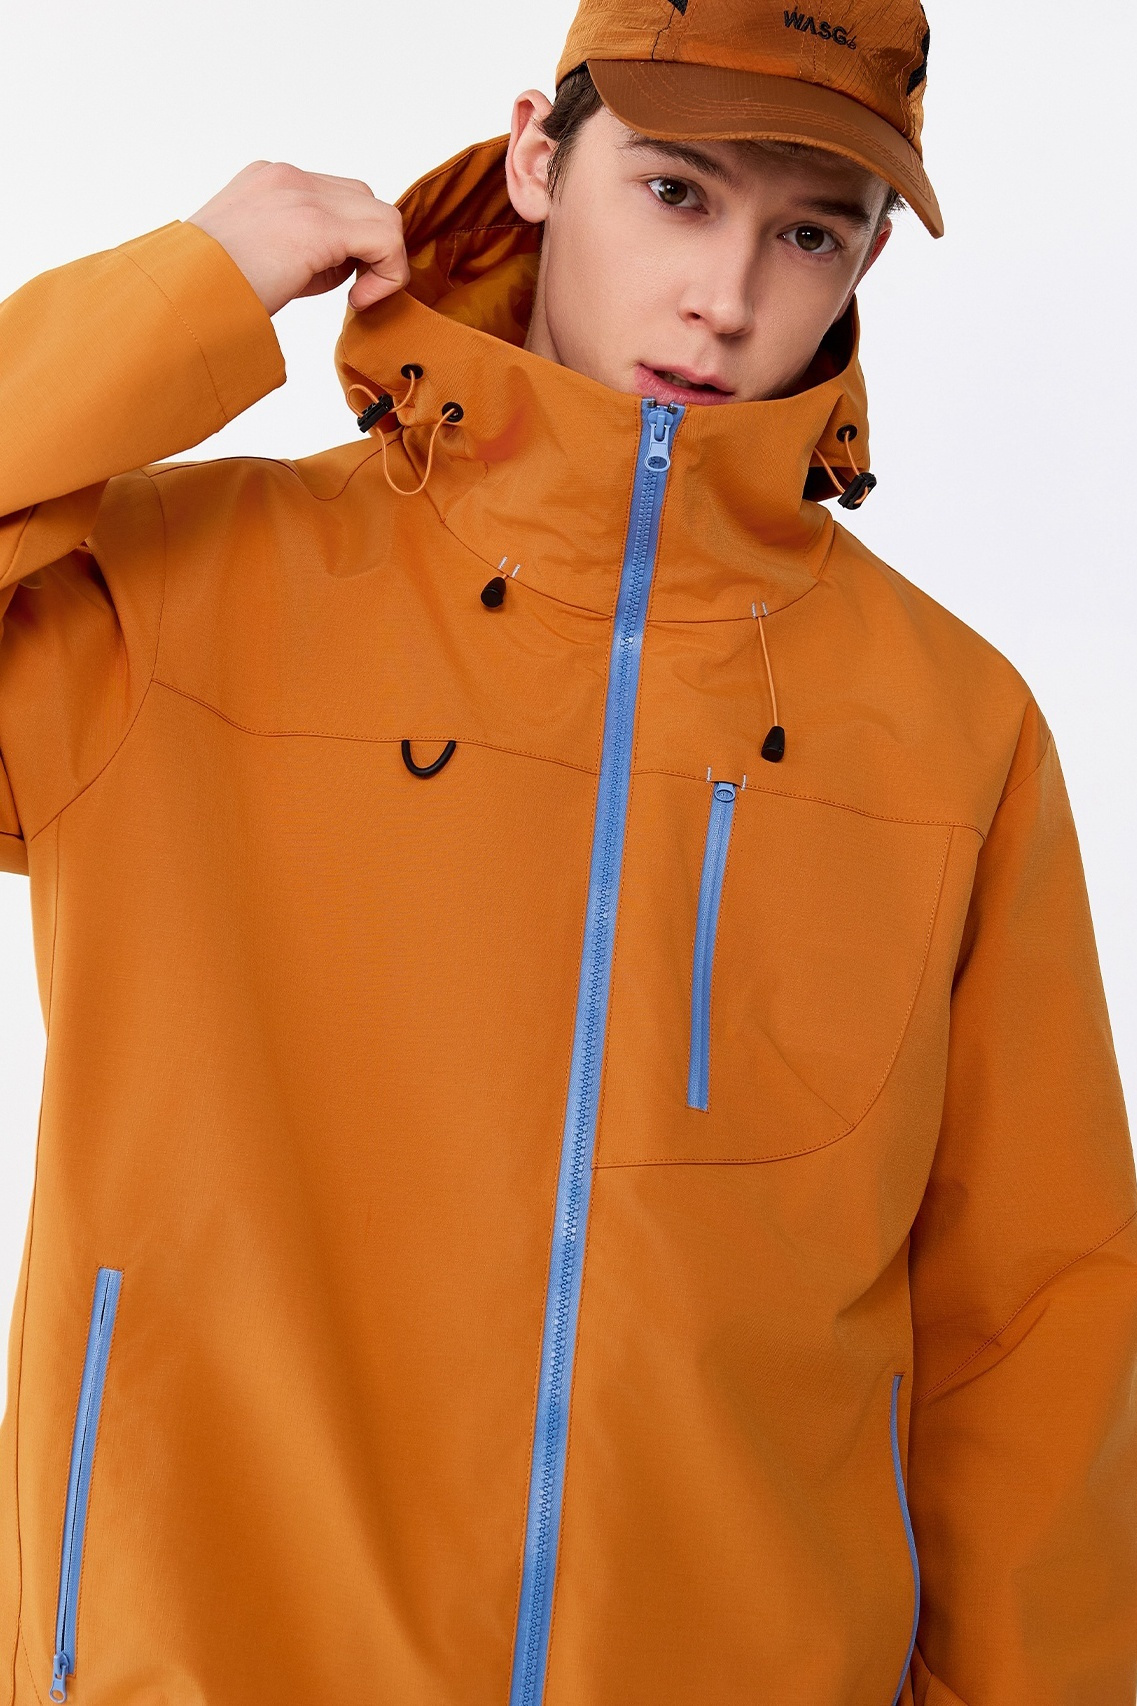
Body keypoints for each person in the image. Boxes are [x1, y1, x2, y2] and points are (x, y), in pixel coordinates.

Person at [0, 0, 1134, 1701]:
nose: (725, 298)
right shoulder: (177, 599)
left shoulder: (950, 729)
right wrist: (191, 286)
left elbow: (1031, 1328)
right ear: (537, 156)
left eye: (807, 232)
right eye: (675, 192)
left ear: (868, 257)